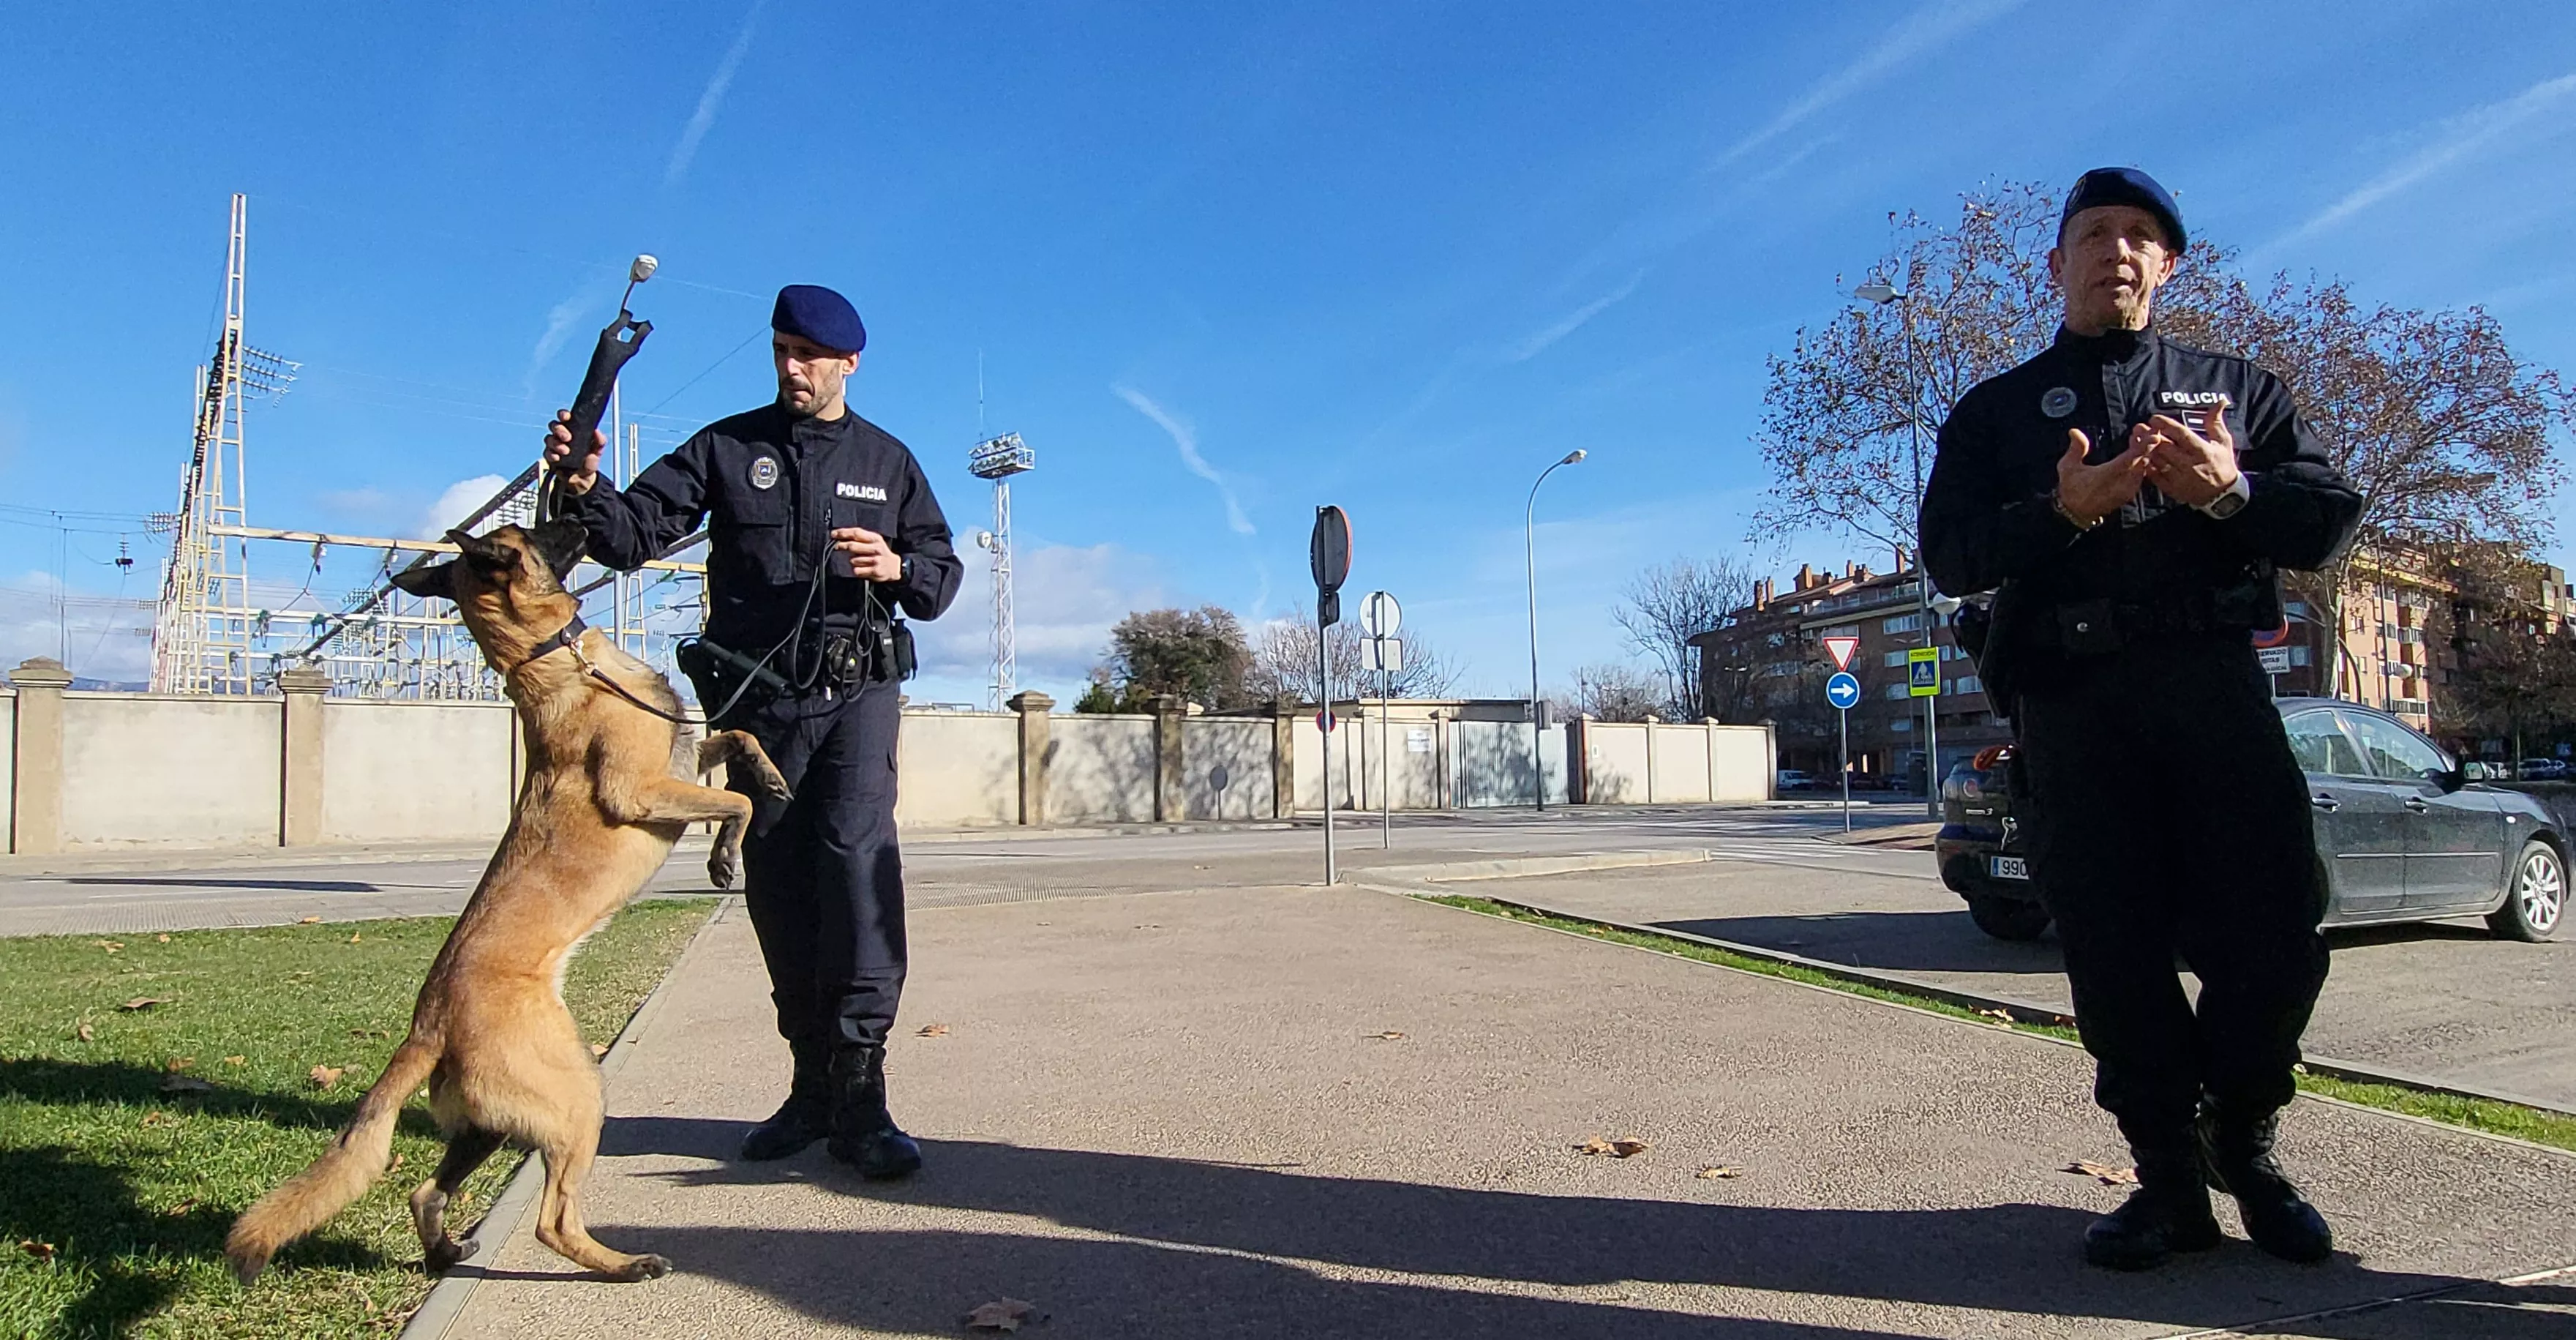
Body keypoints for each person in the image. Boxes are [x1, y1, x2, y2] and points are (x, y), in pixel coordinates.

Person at [1919, 168, 2364, 1270]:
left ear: (2169, 266)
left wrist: (2230, 491)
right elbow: (1949, 553)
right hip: (2073, 706)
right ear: (2055, 264)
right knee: (2113, 951)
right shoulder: (1995, 412)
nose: (2117, 250)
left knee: (2272, 937)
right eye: (2095, 234)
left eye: (2141, 237)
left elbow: (2327, 526)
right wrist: (2062, 509)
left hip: (2212, 690)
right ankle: (2168, 1176)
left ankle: (2244, 1135)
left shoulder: (2238, 391)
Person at [543, 283, 961, 1178]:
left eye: (809, 355)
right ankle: (809, 1087)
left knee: (854, 871)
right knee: (775, 884)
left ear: (849, 361)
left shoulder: (888, 462)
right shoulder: (728, 448)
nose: (791, 368)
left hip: (854, 701)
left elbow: (940, 575)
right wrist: (585, 484)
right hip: (756, 712)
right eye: (780, 351)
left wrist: (895, 564)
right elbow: (631, 533)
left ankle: (863, 1095)